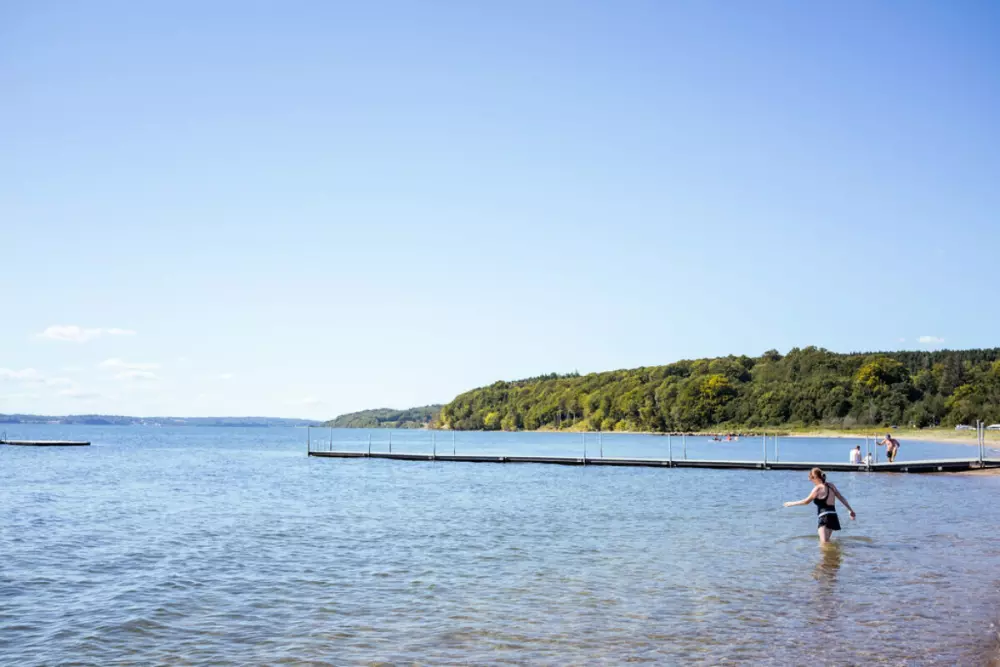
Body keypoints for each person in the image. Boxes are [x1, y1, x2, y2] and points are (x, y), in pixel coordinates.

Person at [783, 468, 856, 544]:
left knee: (824, 544)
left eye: (811, 479)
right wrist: (850, 510)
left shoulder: (817, 489)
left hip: (824, 517)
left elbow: (806, 502)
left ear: (815, 477)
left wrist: (791, 503)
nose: (811, 481)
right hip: (833, 517)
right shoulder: (831, 486)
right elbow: (841, 497)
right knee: (827, 542)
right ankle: (834, 555)